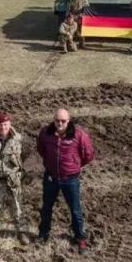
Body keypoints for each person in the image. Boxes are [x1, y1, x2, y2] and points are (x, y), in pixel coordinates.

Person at [36, 108, 95, 254]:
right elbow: (41, 150)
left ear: (69, 121)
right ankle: (43, 234)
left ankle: (80, 237)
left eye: (63, 121)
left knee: (75, 210)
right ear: (53, 120)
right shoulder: (45, 133)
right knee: (46, 208)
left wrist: (74, 165)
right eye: (57, 120)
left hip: (70, 179)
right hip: (51, 177)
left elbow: (88, 155)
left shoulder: (79, 135)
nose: (59, 123)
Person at [0, 113, 29, 245]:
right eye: (0, 125)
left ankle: (22, 232)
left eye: (5, 124)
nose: (3, 127)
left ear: (10, 124)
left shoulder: (19, 139)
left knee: (17, 207)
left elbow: (25, 153)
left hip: (13, 180)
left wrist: (14, 169)